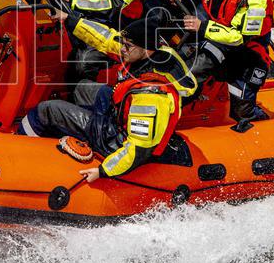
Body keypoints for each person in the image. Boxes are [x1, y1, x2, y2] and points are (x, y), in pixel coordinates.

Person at [19, 18, 196, 182]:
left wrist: (103, 171)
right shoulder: (154, 51)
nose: (122, 49)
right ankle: (68, 127)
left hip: (116, 140)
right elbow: (106, 38)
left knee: (47, 109)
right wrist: (70, 19)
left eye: (127, 46)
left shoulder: (151, 95)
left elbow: (139, 149)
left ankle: (18, 147)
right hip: (120, 113)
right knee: (82, 87)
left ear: (146, 50)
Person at [165, 0, 272, 125]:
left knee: (242, 111)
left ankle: (262, 124)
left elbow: (239, 37)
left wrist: (203, 27)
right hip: (213, 30)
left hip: (245, 53)